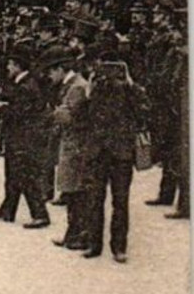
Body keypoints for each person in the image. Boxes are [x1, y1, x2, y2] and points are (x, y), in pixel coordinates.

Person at [83, 49, 146, 262]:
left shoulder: (130, 90)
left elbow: (143, 111)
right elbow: (84, 114)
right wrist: (90, 88)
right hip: (99, 151)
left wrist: (130, 84)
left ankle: (119, 247)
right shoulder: (96, 87)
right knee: (94, 199)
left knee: (120, 201)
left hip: (121, 153)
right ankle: (94, 244)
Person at [0, 41, 51, 228]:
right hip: (22, 135)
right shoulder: (26, 83)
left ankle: (40, 214)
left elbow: (19, 112)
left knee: (24, 175)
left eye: (10, 64)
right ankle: (8, 209)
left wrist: (0, 110)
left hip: (24, 136)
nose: (7, 67)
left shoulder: (26, 86)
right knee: (13, 174)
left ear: (17, 65)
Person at [46, 46, 94, 252]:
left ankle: (78, 235)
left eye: (51, 71)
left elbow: (69, 116)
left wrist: (52, 112)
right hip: (72, 144)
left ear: (60, 69)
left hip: (76, 146)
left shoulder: (76, 87)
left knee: (76, 192)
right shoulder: (74, 84)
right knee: (71, 190)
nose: (49, 76)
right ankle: (72, 234)